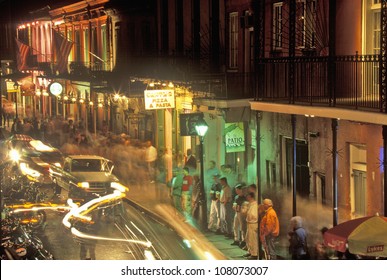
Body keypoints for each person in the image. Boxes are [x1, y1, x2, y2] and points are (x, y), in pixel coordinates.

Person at [243, 192, 258, 260]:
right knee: (248, 238)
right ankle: (250, 251)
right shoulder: (250, 204)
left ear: (251, 197)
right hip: (249, 223)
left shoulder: (255, 205)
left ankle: (254, 254)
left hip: (253, 223)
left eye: (248, 196)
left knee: (252, 239)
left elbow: (254, 215)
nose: (247, 197)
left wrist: (247, 213)